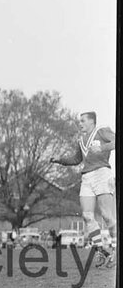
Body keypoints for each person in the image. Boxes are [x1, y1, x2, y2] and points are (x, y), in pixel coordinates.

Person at [50, 111, 116, 267]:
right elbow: (76, 159)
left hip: (102, 174)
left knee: (107, 215)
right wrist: (60, 160)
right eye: (79, 121)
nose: (80, 123)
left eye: (82, 120)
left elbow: (116, 141)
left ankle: (116, 249)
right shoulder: (80, 139)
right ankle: (100, 249)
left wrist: (103, 148)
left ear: (91, 121)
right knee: (87, 216)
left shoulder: (101, 130)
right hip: (86, 177)